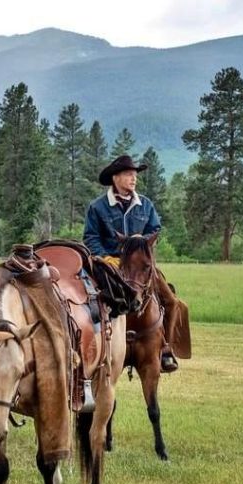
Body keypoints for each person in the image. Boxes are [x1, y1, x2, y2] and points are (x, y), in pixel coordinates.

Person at [83, 154, 180, 372]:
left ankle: (166, 350)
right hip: (109, 267)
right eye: (128, 174)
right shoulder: (97, 207)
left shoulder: (145, 205)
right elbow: (90, 238)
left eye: (135, 175)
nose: (133, 178)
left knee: (172, 301)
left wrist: (141, 248)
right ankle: (91, 348)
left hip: (140, 268)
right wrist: (106, 257)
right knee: (90, 303)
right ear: (115, 178)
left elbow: (155, 230)